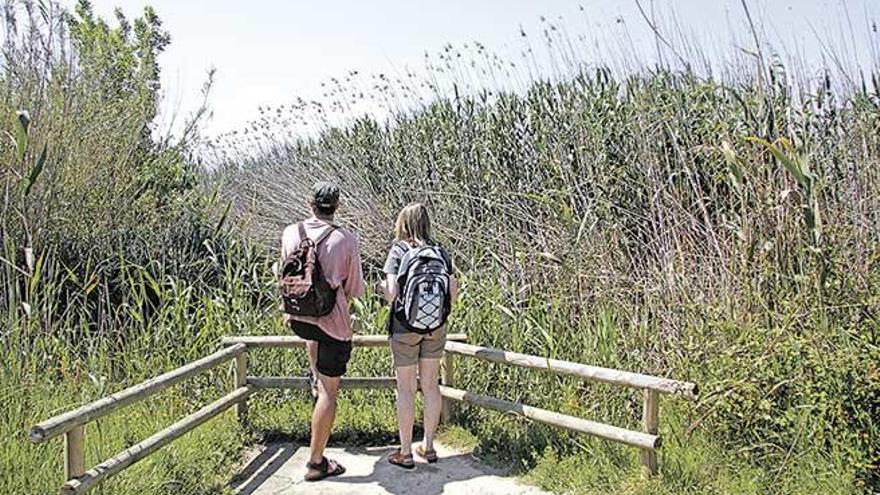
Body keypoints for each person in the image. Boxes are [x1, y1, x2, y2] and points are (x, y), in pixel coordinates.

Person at [280, 182, 365, 482]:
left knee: (313, 336)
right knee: (330, 393)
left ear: (310, 204)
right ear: (336, 205)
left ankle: (314, 374)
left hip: (298, 317)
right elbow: (354, 289)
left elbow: (286, 271)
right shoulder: (345, 239)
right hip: (332, 323)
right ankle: (316, 462)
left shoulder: (291, 233)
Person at [379, 203, 457, 469]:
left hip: (404, 328)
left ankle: (405, 451)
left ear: (403, 223)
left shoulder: (399, 250)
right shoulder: (440, 251)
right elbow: (453, 295)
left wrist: (382, 289)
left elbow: (391, 293)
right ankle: (430, 446)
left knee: (406, 389)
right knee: (431, 386)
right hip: (436, 327)